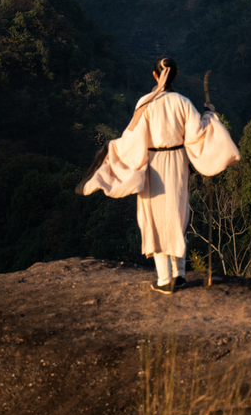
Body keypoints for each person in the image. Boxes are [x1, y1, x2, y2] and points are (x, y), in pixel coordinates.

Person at [76, 56, 240, 294]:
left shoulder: (145, 103)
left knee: (154, 218)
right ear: (175, 75)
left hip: (153, 164)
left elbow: (132, 139)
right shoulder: (183, 102)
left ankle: (165, 279)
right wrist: (209, 114)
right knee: (177, 215)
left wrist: (113, 151)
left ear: (155, 75)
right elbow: (198, 134)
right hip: (178, 162)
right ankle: (179, 275)